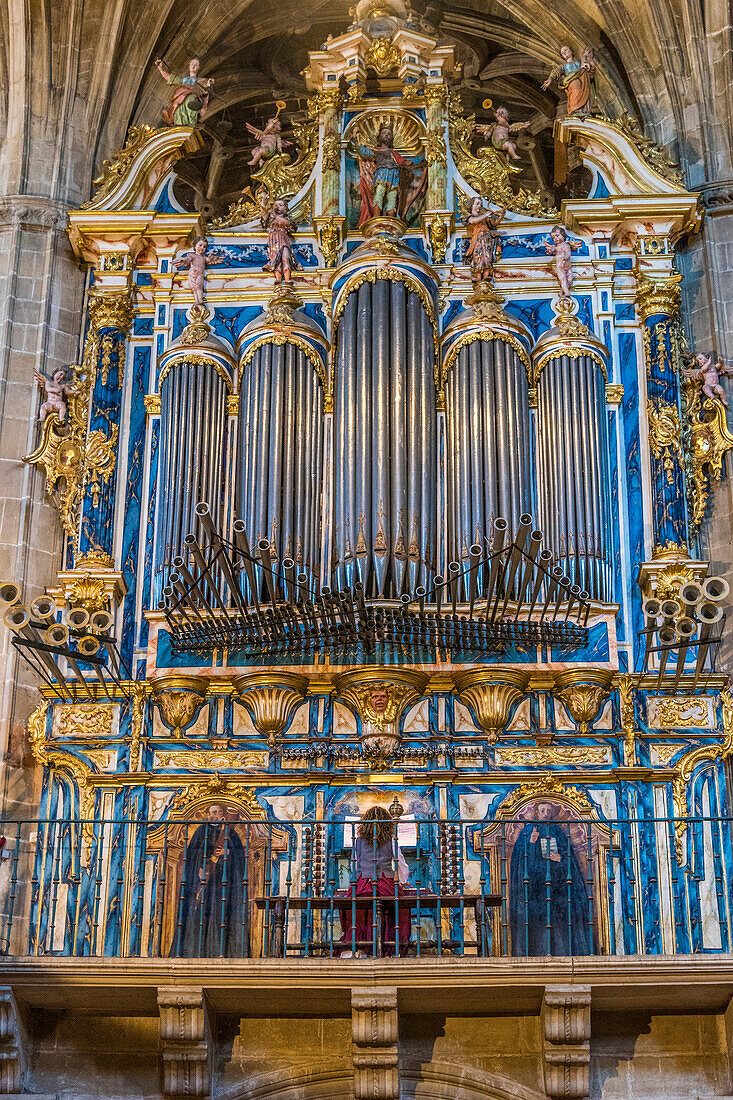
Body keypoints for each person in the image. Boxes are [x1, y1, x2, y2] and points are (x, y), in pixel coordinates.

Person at [509, 801, 592, 956]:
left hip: (558, 889)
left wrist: (560, 859)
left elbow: (570, 861)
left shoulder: (559, 833)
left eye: (548, 810)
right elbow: (520, 862)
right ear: (536, 812)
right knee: (537, 928)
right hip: (534, 891)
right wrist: (532, 843)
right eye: (542, 810)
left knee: (559, 928)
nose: (545, 813)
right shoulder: (527, 832)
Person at [170, 803, 248, 958]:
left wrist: (228, 852)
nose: (216, 815)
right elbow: (192, 856)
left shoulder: (230, 834)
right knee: (199, 915)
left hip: (224, 885)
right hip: (203, 883)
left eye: (220, 811)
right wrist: (199, 869)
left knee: (221, 914)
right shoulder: (201, 831)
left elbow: (240, 858)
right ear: (207, 814)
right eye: (213, 812)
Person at [338, 806, 413, 956]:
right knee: (396, 911)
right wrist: (403, 881)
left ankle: (363, 947)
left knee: (360, 913)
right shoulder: (391, 839)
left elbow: (354, 864)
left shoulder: (358, 841)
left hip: (364, 883)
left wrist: (359, 879)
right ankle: (389, 947)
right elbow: (400, 862)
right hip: (386, 883)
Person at [154, 56, 213, 128]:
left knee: (191, 100)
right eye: (192, 64)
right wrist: (161, 69)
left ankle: (191, 123)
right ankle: (179, 124)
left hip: (192, 97)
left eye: (196, 65)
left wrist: (209, 82)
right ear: (189, 66)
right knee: (177, 106)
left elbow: (207, 86)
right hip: (181, 97)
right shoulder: (184, 80)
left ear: (199, 68)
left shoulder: (200, 80)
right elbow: (171, 78)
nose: (193, 66)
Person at [541, 45, 596, 116]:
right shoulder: (564, 66)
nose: (565, 54)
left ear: (571, 51)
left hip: (583, 81)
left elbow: (588, 70)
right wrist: (550, 79)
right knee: (575, 89)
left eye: (566, 51)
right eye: (563, 54)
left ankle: (584, 110)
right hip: (571, 81)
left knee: (584, 94)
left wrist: (587, 67)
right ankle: (575, 110)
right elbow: (556, 71)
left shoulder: (579, 63)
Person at [465, 198, 506, 282]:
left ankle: (487, 273)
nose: (479, 206)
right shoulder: (470, 217)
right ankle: (478, 274)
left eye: (480, 204)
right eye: (477, 204)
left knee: (487, 256)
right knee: (478, 255)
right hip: (478, 238)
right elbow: (474, 221)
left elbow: (494, 223)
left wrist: (501, 215)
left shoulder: (485, 218)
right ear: (471, 205)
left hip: (487, 238)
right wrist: (486, 214)